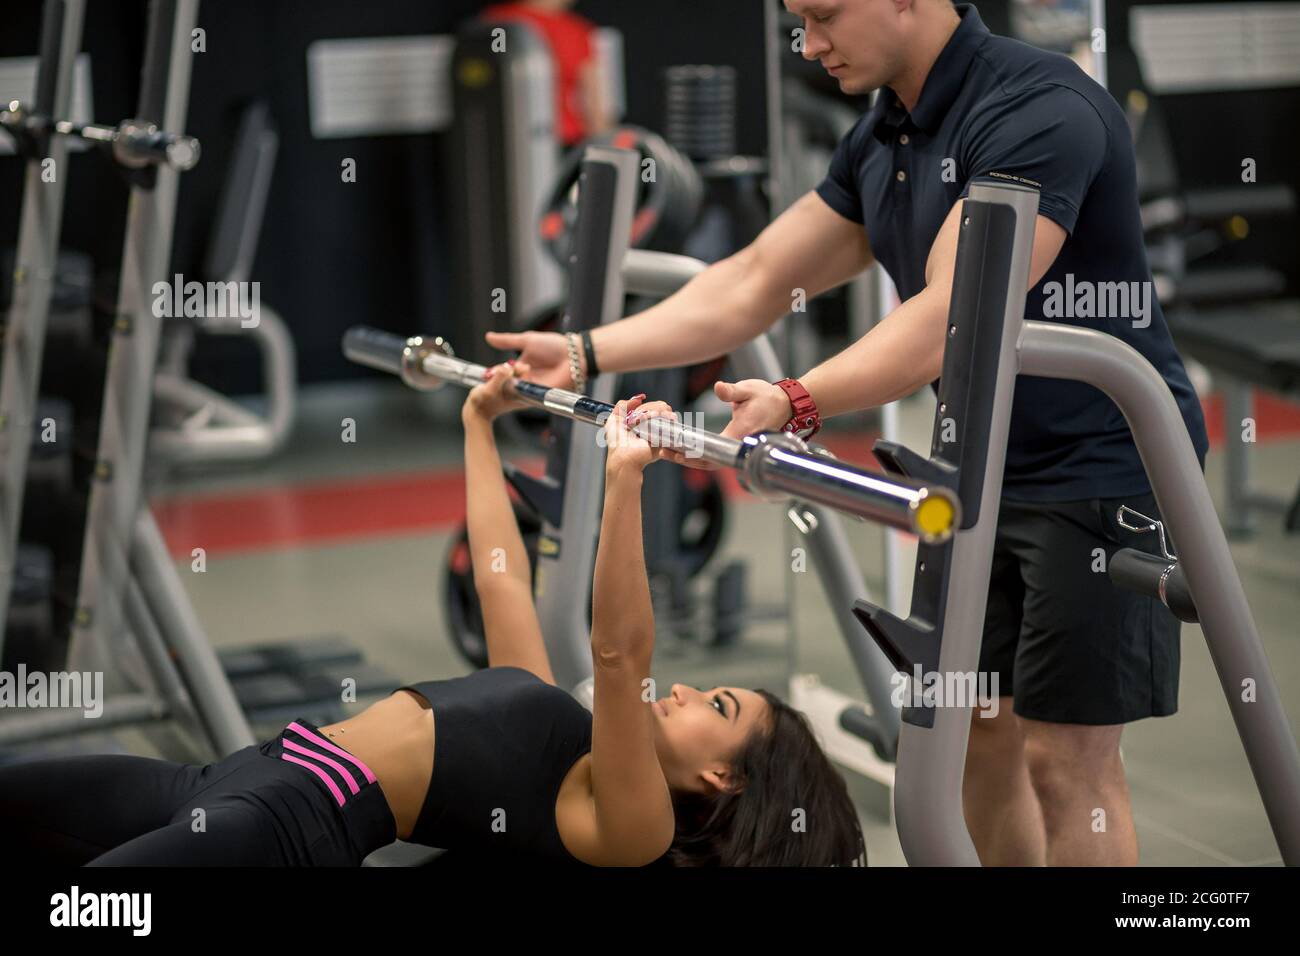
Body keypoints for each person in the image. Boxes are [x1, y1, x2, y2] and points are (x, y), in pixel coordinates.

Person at [486, 0, 1210, 866]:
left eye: (824, 16)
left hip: (1102, 466)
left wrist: (797, 398)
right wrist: (581, 350)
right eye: (798, 20)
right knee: (974, 732)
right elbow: (755, 278)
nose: (809, 43)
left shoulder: (1035, 110)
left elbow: (954, 313)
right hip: (981, 467)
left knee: (1066, 761)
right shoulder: (886, 137)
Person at [0, 363, 865, 867]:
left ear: (726, 781)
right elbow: (499, 579)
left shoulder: (630, 827)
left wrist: (628, 479)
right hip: (226, 775)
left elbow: (619, 655)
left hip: (285, 823)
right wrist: (478, 424)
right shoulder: (553, 716)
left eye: (718, 709)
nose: (685, 691)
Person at [481, 0, 613, 146]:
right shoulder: (498, 20)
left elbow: (594, 104)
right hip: (511, 139)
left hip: (563, 141)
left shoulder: (578, 29)